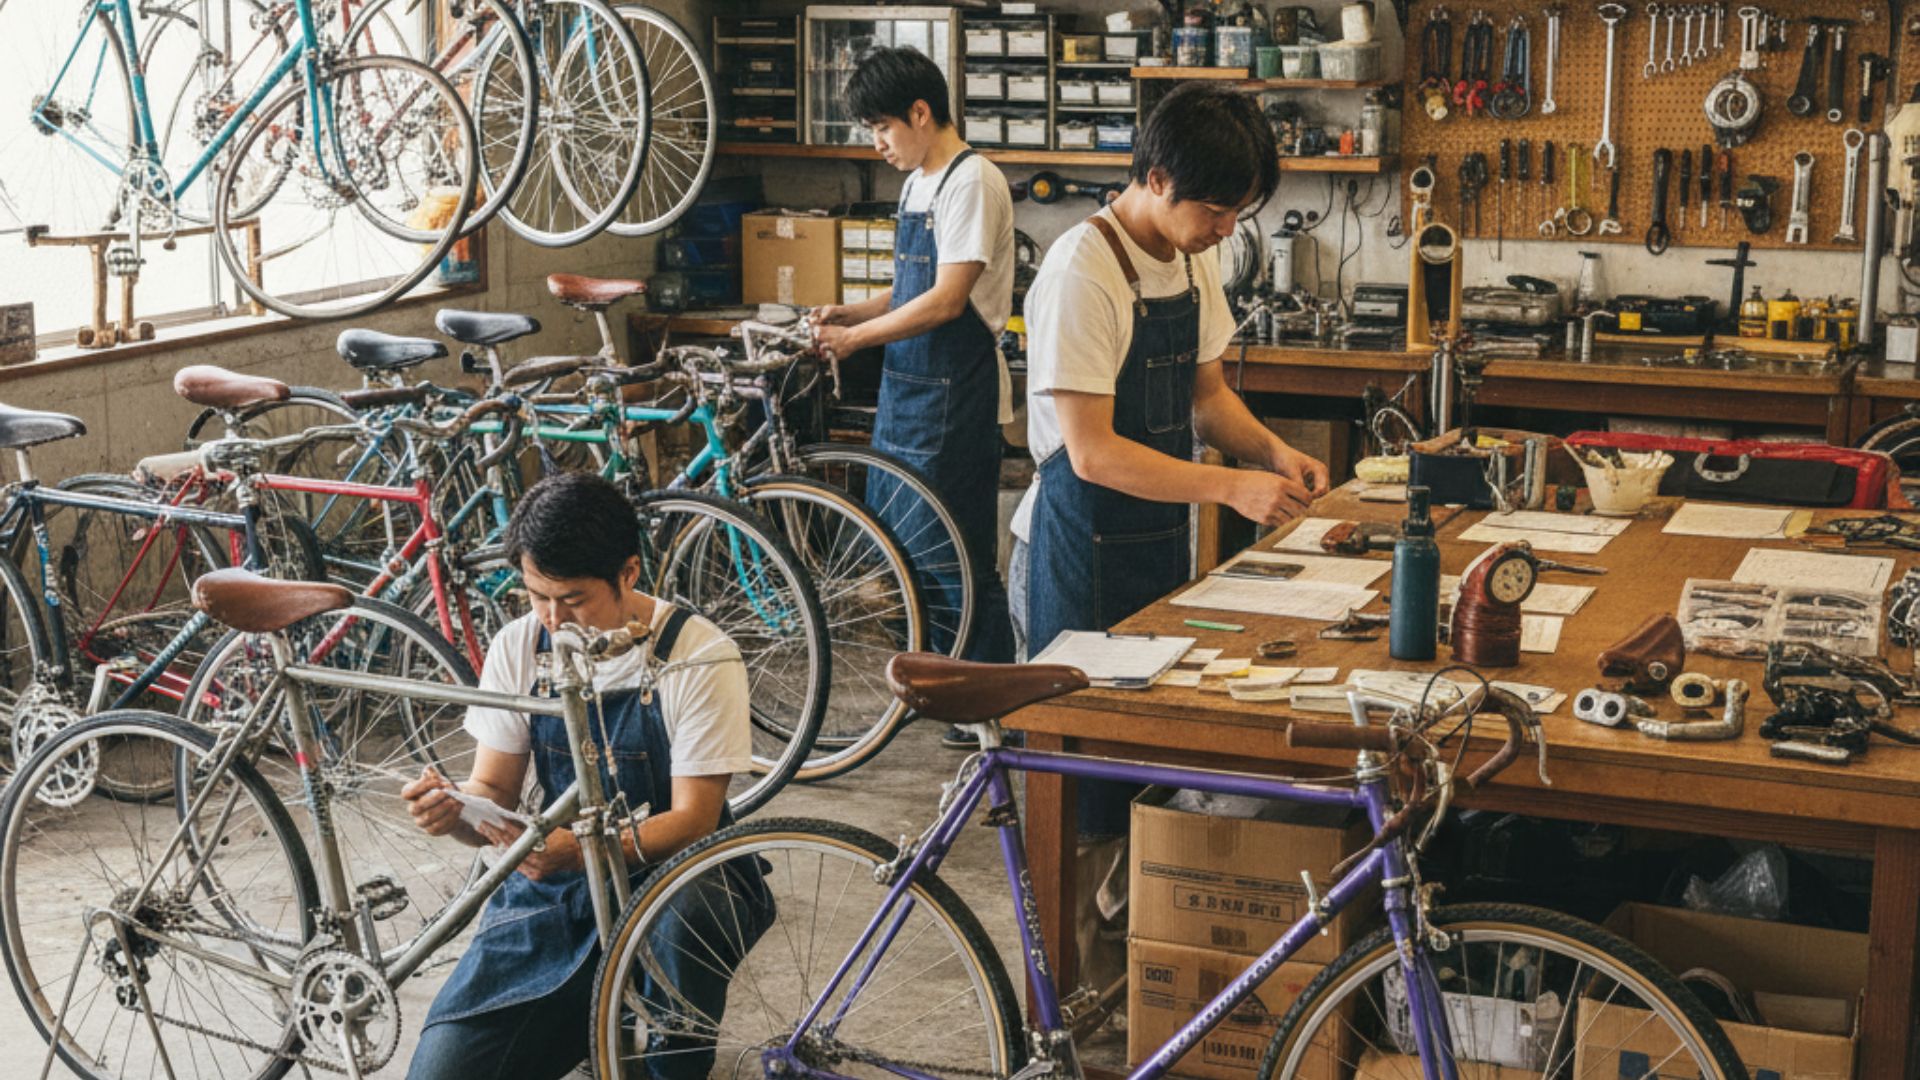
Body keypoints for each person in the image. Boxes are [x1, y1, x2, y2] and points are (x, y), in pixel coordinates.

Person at [1016, 81, 1329, 840]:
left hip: (1153, 543)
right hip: (1075, 549)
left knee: (1146, 787)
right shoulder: (1081, 273)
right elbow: (1091, 453)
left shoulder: (1190, 262)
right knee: (1083, 799)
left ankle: (1142, 946)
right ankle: (1072, 957)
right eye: (1215, 211)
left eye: (1236, 213)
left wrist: (1276, 454)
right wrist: (1231, 487)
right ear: (1156, 179)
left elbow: (1206, 399)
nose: (1225, 231)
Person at [402, 473, 770, 1080]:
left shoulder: (697, 653)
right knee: (443, 1071)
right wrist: (456, 811)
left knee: (686, 919)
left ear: (628, 572)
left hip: (680, 872)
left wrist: (584, 854)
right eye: (535, 595)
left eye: (572, 600)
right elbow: (492, 790)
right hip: (557, 884)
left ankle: (666, 1058)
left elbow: (695, 819)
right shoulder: (520, 646)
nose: (551, 617)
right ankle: (586, 1017)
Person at [810, 46, 1017, 748]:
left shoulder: (971, 181)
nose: (877, 144)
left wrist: (857, 343)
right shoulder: (918, 182)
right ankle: (948, 693)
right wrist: (852, 313)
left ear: (922, 113)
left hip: (955, 390)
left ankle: (991, 701)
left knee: (957, 549)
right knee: (909, 546)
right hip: (909, 388)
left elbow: (948, 301)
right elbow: (908, 292)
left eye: (883, 128)